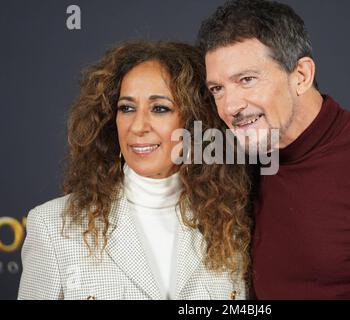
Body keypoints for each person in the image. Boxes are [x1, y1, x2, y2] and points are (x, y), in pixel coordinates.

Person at [197, 0, 350, 299]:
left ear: (301, 76)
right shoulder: (236, 167)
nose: (230, 106)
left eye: (247, 80)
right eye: (218, 89)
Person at [18, 41, 251, 300]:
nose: (138, 126)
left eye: (159, 108)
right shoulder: (52, 226)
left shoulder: (233, 222)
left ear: (196, 121)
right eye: (126, 108)